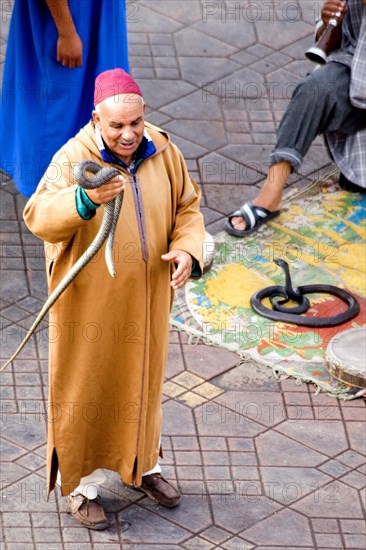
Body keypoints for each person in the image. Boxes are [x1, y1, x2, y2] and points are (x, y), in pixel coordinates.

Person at [23, 68, 206, 530]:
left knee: (142, 386)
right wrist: (84, 201)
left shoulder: (164, 150)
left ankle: (143, 466)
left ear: (144, 117)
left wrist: (186, 248)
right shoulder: (73, 158)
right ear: (96, 120)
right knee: (85, 389)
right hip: (90, 306)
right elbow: (38, 215)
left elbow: (188, 206)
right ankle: (80, 487)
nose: (128, 134)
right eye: (117, 126)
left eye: (135, 123)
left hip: (146, 302)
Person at [225, 0, 366, 238]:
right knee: (314, 89)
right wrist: (331, 23)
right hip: (357, 75)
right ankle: (270, 195)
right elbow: (333, 45)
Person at [0, 0, 129, 197]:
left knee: (84, 101)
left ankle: (79, 179)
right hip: (67, 19)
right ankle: (48, 193)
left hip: (90, 15)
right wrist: (67, 32)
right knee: (54, 112)